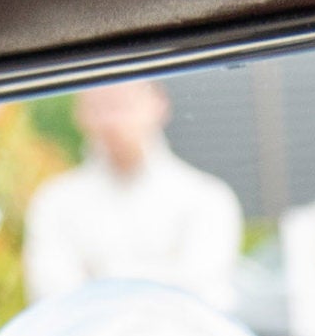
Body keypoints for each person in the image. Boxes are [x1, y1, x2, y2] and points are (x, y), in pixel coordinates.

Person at [24, 83, 248, 306]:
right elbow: (53, 298)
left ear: (159, 104)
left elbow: (205, 291)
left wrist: (102, 279)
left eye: (122, 104)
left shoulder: (207, 199)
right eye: (98, 107)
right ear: (80, 114)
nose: (111, 121)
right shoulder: (55, 201)